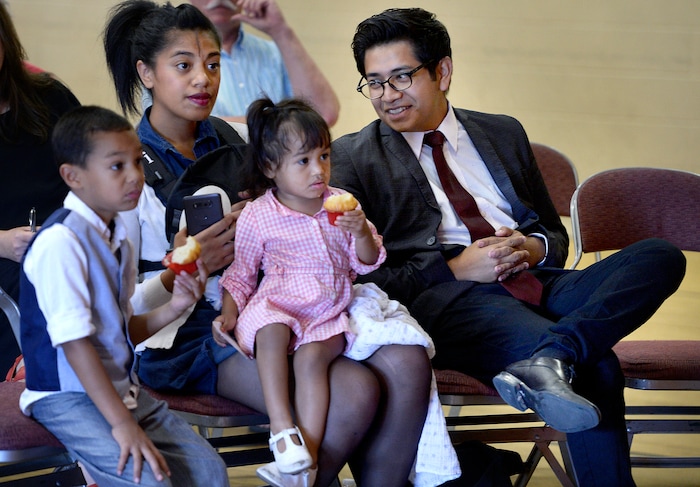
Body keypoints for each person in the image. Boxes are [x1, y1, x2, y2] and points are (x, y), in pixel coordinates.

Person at [331, 8, 687, 487]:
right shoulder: (352, 158)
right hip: (453, 303)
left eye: (401, 77)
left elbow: (553, 234)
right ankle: (559, 356)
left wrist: (533, 249)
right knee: (593, 365)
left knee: (659, 256)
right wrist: (456, 268)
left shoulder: (502, 132)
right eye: (373, 83)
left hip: (535, 281)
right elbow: (363, 278)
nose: (387, 95)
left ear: (442, 71)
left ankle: (553, 353)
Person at [103, 2, 431, 486]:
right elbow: (112, 306)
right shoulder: (125, 171)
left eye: (213, 64)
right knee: (353, 395)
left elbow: (317, 122)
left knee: (370, 384)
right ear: (146, 73)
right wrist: (180, 273)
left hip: (279, 309)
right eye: (184, 66)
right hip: (186, 337)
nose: (203, 79)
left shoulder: (240, 137)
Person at [18, 105, 229, 487]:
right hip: (67, 396)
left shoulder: (117, 237)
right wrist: (122, 424)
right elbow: (77, 346)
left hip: (119, 388)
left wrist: (176, 307)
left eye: (136, 161)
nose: (135, 176)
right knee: (149, 480)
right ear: (73, 176)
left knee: (209, 473)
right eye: (117, 166)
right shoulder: (61, 243)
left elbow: (120, 331)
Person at [216, 97, 386, 485]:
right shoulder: (259, 214)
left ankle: (302, 462)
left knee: (311, 361)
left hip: (327, 312)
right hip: (278, 303)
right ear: (270, 168)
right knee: (270, 331)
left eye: (324, 156)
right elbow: (241, 275)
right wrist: (228, 312)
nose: (318, 170)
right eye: (303, 161)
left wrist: (361, 231)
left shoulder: (341, 206)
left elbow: (367, 261)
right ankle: (282, 432)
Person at [0, 1, 80, 374]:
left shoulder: (49, 97)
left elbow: (95, 166)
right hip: (10, 261)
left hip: (71, 240)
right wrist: (3, 242)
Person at [143, 0, 339, 126]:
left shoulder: (275, 52)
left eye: (213, 65)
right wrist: (278, 123)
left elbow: (324, 115)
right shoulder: (165, 57)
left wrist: (280, 31)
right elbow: (175, 125)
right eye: (185, 66)